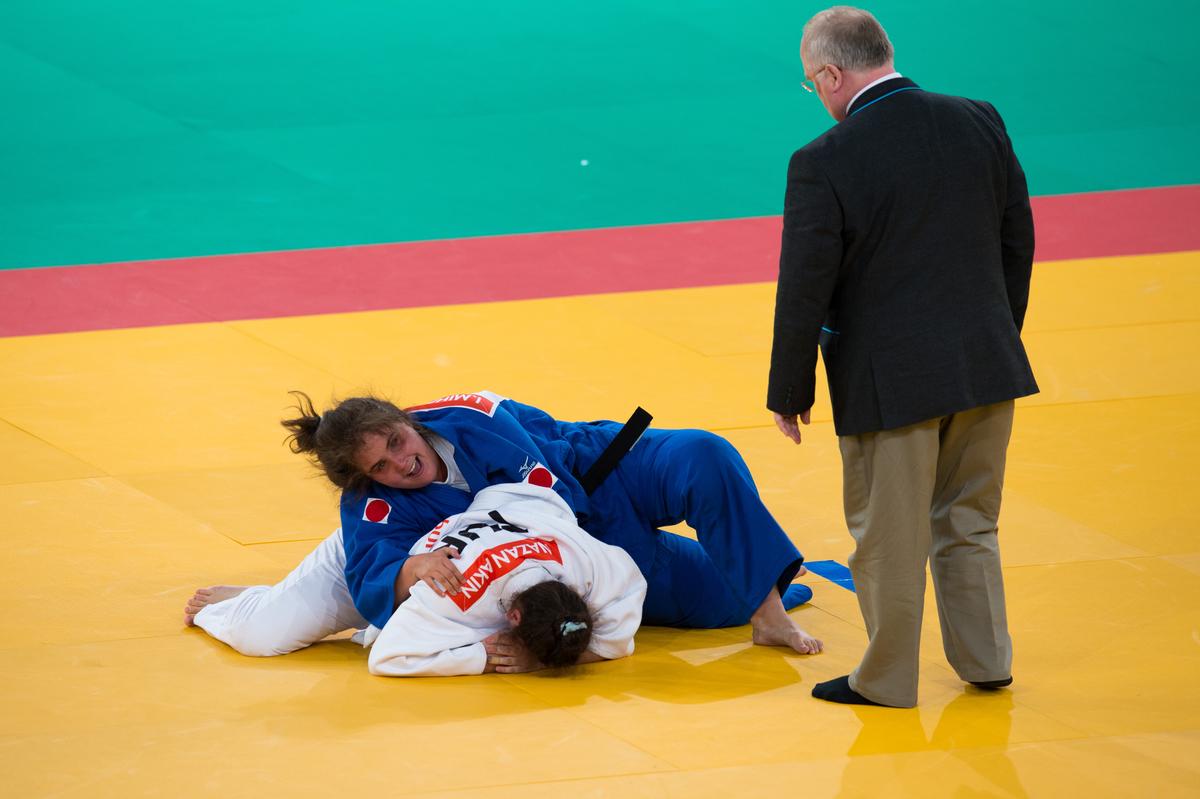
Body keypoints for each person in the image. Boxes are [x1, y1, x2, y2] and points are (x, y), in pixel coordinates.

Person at [767, 6, 1036, 707]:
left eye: (811, 83)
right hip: (986, 364)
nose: (816, 96)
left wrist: (789, 386)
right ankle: (987, 660)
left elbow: (805, 287)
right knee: (970, 518)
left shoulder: (823, 159)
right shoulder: (980, 119)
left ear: (831, 73)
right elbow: (1017, 240)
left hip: (892, 385)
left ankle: (885, 678)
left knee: (886, 538)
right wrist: (997, 335)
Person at [187, 390, 823, 662]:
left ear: (408, 418)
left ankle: (769, 609)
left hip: (593, 481)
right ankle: (248, 600)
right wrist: (408, 569)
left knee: (701, 455)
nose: (402, 463)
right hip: (546, 552)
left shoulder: (473, 414)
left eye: (399, 441)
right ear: (364, 478)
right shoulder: (371, 508)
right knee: (274, 631)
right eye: (381, 466)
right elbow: (371, 578)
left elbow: (544, 509)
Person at [364, 482, 646, 676]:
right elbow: (386, 658)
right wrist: (484, 657)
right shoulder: (454, 592)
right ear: (513, 617)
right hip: (383, 545)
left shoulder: (584, 565)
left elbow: (617, 643)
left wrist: (537, 663)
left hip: (513, 501)